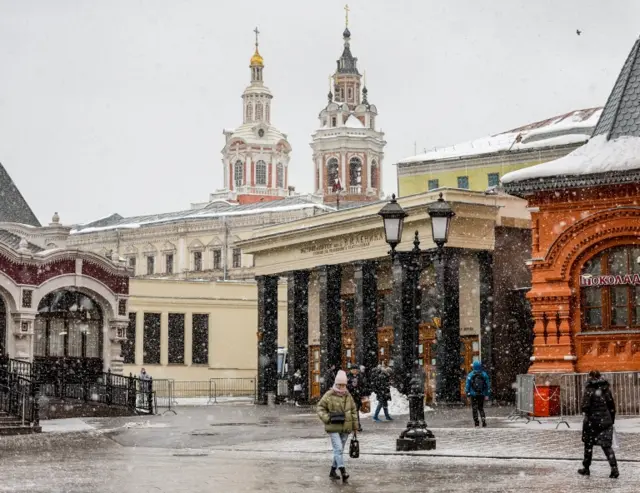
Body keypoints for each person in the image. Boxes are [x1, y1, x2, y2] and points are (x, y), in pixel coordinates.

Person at [316, 370, 358, 483]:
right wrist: (327, 418)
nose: (341, 386)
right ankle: (343, 471)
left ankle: (332, 471)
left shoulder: (348, 395)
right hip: (333, 426)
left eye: (343, 384)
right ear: (336, 383)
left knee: (339, 451)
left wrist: (355, 427)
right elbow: (320, 408)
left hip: (345, 427)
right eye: (340, 384)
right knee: (338, 449)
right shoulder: (329, 394)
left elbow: (353, 411)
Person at [578, 370, 619, 478]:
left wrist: (587, 414)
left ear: (590, 377)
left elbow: (584, 406)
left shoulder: (589, 389)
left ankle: (586, 468)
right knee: (606, 446)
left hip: (592, 422)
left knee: (588, 445)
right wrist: (611, 420)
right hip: (605, 422)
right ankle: (614, 468)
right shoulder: (606, 389)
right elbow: (612, 406)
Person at [465, 361, 490, 427]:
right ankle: (483, 420)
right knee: (481, 408)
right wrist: (487, 394)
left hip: (473, 394)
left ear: (474, 367)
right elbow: (487, 385)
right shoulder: (484, 374)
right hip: (481, 394)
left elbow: (467, 385)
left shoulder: (470, 375)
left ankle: (476, 423)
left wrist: (467, 393)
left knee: (474, 408)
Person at [347, 364, 364, 432]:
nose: (355, 371)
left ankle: (357, 425)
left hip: (357, 396)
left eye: (356, 370)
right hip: (350, 397)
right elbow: (345, 386)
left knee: (356, 412)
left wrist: (360, 390)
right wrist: (351, 386)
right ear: (351, 370)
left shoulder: (359, 376)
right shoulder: (347, 376)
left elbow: (363, 385)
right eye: (353, 370)